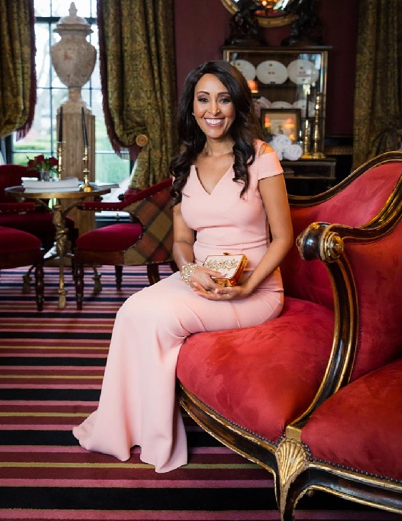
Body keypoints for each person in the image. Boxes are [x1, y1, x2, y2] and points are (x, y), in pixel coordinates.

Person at [72, 60, 293, 472]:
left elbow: (284, 238)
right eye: (204, 99)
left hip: (255, 291)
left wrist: (246, 288)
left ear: (237, 105)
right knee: (129, 312)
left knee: (155, 319)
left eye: (224, 99)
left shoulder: (261, 157)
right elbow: (181, 242)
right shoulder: (184, 164)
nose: (214, 109)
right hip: (198, 278)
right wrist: (192, 273)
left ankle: (159, 440)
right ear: (192, 108)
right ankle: (125, 426)